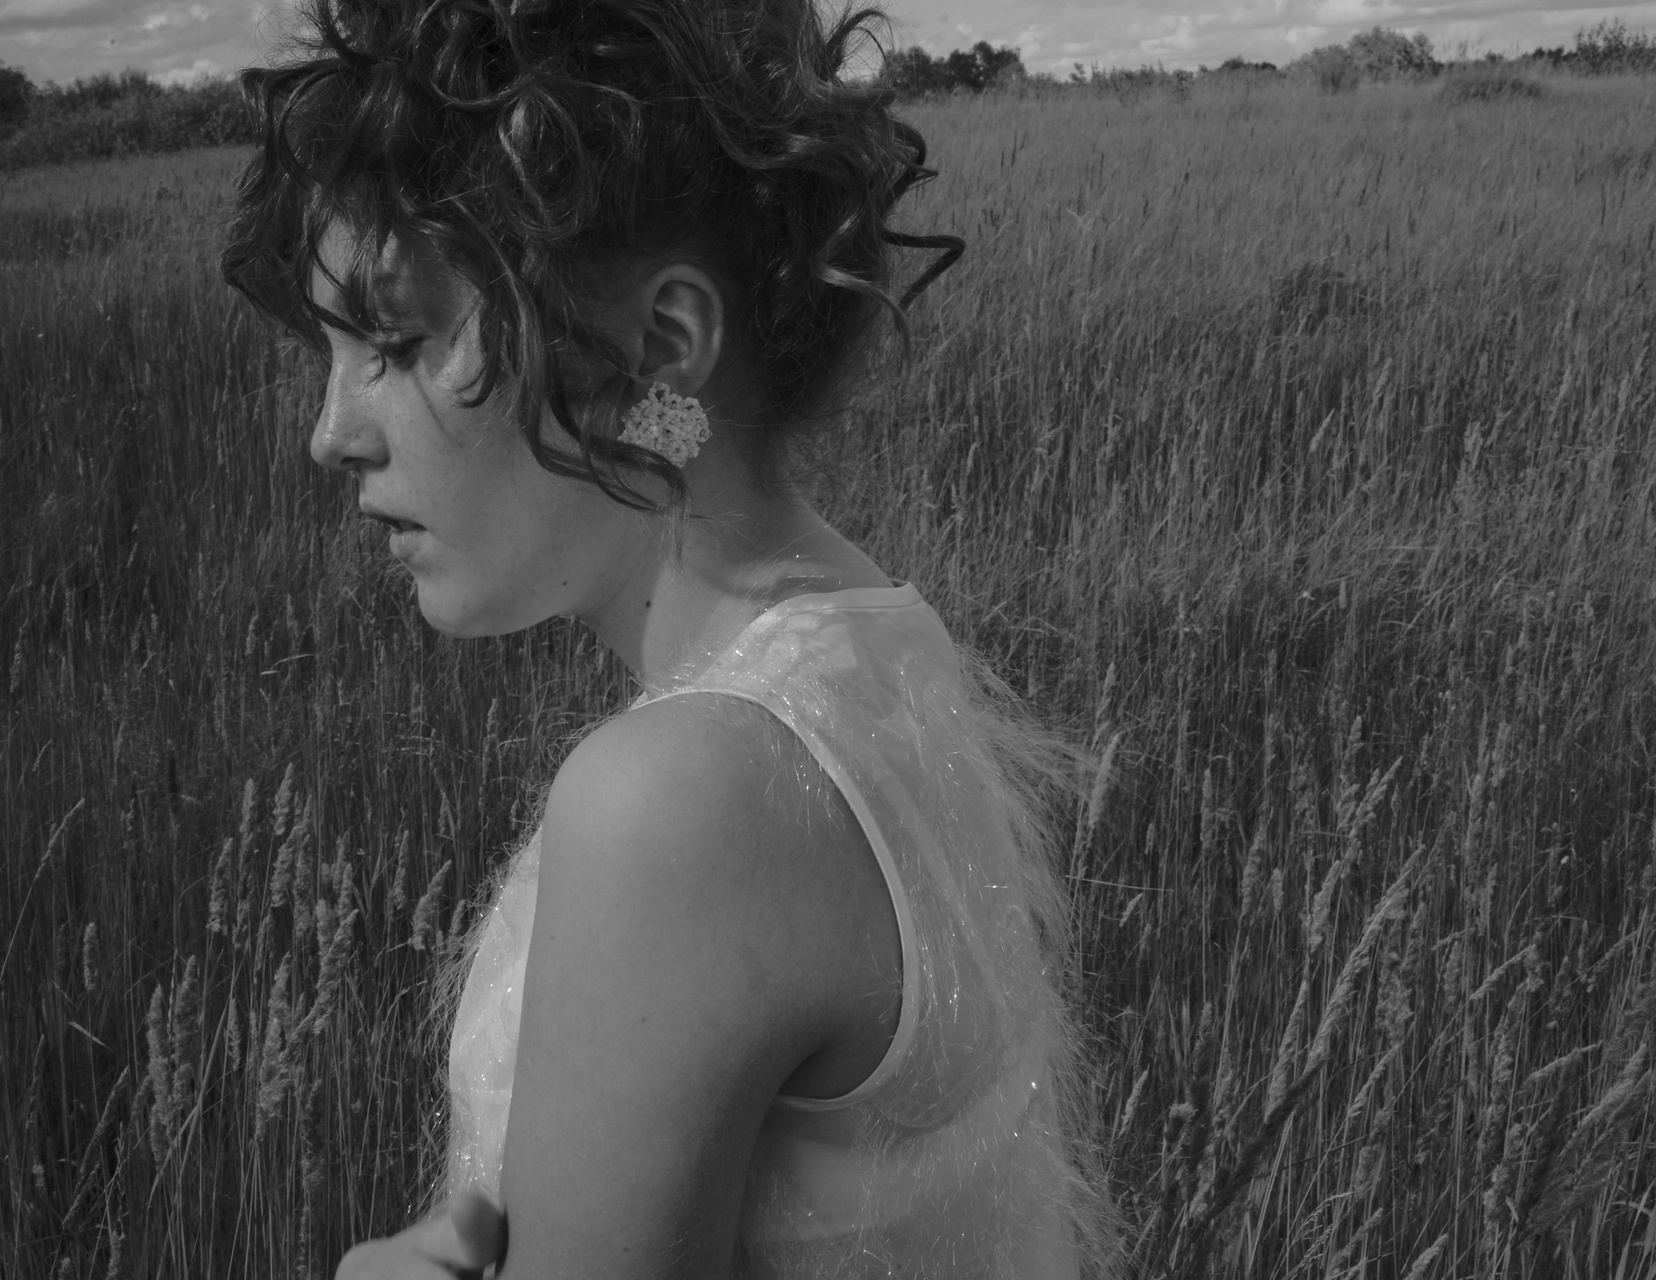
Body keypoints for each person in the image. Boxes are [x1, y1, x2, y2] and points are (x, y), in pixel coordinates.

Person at [221, 1, 1116, 1277]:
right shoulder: (880, 639)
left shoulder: (681, 799)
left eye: (397, 343)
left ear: (660, 351)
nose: (331, 433)